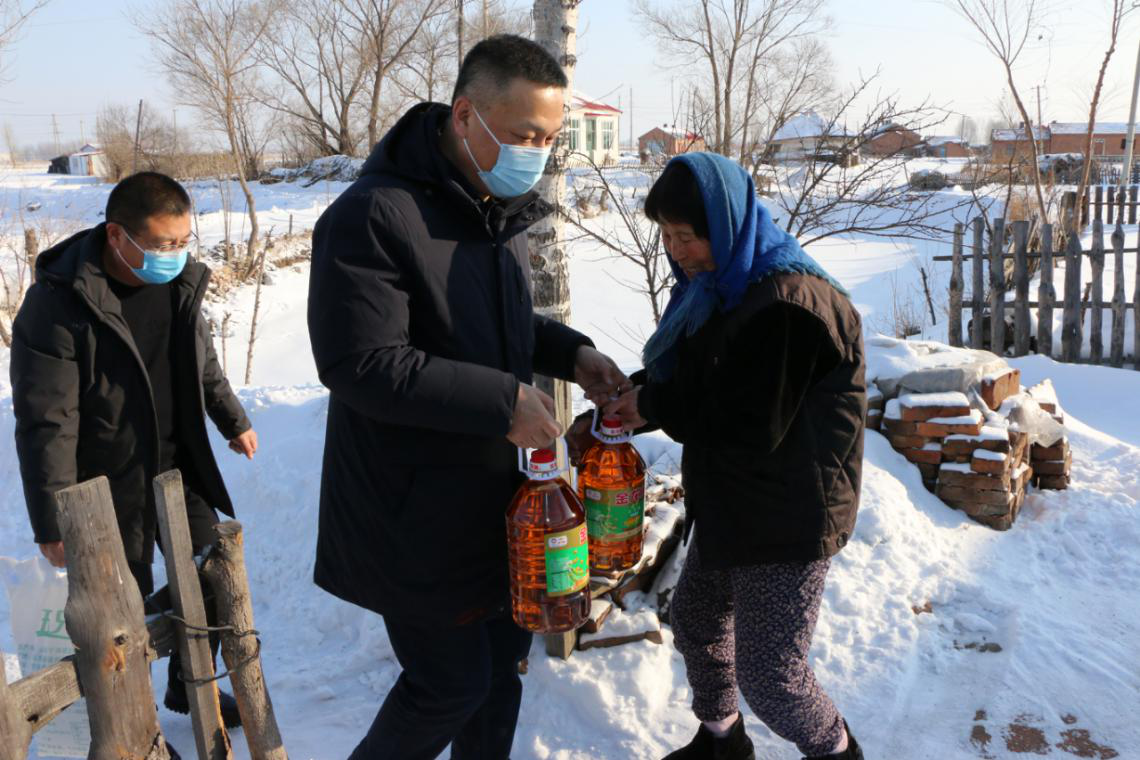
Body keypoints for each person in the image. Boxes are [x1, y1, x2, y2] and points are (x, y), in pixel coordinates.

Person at [307, 35, 627, 760]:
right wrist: (502, 401)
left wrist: (572, 353)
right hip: (414, 512)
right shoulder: (373, 217)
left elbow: (501, 328)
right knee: (447, 685)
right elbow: (362, 362)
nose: (537, 152)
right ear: (464, 117)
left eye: (549, 137)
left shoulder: (493, 209)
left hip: (501, 507)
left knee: (501, 674)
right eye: (523, 134)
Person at [602, 153, 867, 760]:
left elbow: (748, 420)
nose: (676, 250)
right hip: (735, 500)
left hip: (788, 515)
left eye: (688, 236)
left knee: (774, 679)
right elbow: (706, 373)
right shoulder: (722, 288)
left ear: (727, 222)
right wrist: (640, 389)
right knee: (697, 626)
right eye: (666, 235)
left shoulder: (789, 305)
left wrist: (655, 404)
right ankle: (723, 745)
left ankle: (840, 754)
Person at [10, 172, 258, 748]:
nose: (175, 253)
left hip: (179, 465)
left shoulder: (180, 284)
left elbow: (201, 364)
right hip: (107, 480)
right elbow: (47, 419)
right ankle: (135, 721)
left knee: (209, 575)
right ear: (118, 235)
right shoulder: (57, 305)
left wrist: (232, 419)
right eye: (162, 243)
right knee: (123, 612)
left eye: (183, 240)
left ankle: (189, 680)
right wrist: (52, 519)